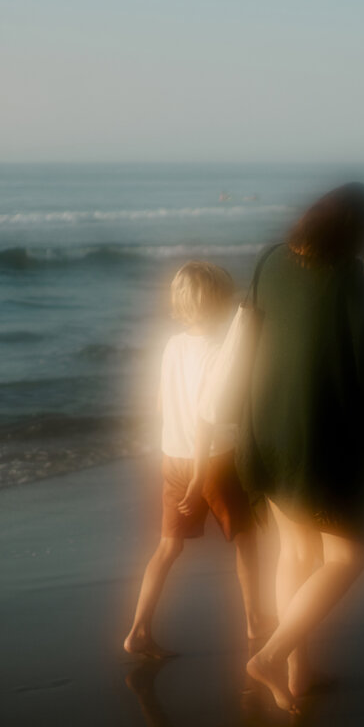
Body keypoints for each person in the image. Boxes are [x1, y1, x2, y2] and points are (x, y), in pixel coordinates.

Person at [236, 182, 364, 712]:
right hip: (323, 432)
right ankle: (272, 655)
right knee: (348, 557)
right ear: (353, 231)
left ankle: (299, 672)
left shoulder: (268, 261)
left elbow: (253, 341)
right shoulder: (349, 277)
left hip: (267, 425)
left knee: (297, 552)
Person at [123, 262, 269, 659]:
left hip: (173, 456)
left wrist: (179, 458)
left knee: (167, 548)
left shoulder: (172, 345)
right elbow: (208, 417)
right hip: (214, 461)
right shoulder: (220, 351)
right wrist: (201, 472)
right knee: (245, 542)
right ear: (222, 300)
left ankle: (138, 630)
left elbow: (158, 404)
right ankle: (255, 619)